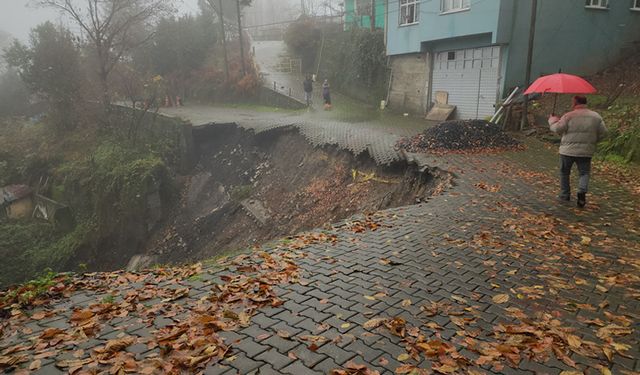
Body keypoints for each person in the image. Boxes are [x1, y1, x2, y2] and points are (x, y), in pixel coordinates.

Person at [548, 95, 608, 208]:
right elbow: (604, 133)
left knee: (564, 173)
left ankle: (564, 195)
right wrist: (593, 141)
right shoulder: (596, 116)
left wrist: (552, 121)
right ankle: (581, 192)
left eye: (572, 101)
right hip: (586, 151)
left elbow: (557, 129)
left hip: (567, 151)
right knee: (584, 173)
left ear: (575, 103)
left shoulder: (568, 116)